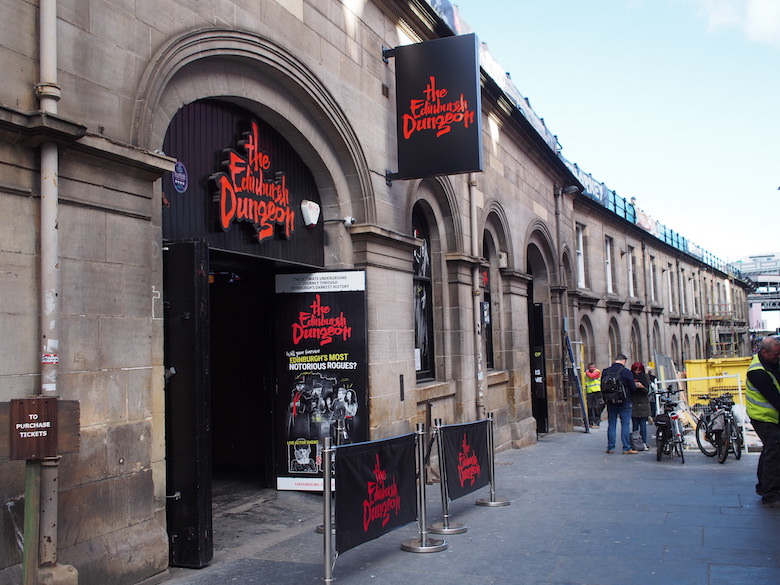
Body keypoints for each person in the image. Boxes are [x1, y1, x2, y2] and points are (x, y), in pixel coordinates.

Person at [745, 336, 780, 508]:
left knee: (770, 450)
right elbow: (775, 398)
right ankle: (770, 493)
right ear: (764, 352)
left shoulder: (771, 363)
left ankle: (764, 486)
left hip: (771, 416)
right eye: (774, 355)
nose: (777, 358)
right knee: (774, 450)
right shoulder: (757, 372)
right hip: (763, 417)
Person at [601, 353, 638, 454]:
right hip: (624, 402)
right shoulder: (626, 372)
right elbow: (633, 388)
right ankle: (626, 448)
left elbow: (602, 387)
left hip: (610, 402)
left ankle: (611, 447)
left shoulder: (605, 371)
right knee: (625, 424)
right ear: (624, 361)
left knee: (611, 424)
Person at [630, 362, 651, 450]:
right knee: (635, 425)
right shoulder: (630, 377)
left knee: (643, 425)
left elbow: (647, 391)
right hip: (634, 403)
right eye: (635, 370)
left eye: (639, 370)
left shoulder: (645, 377)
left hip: (643, 404)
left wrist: (642, 387)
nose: (637, 372)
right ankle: (635, 443)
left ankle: (644, 442)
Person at [584, 363, 604, 428]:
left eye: (593, 367)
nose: (592, 368)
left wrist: (586, 372)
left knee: (597, 407)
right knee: (590, 407)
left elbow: (592, 376)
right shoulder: (586, 373)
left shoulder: (597, 371)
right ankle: (590, 422)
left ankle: (596, 422)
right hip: (589, 392)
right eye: (590, 367)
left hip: (597, 391)